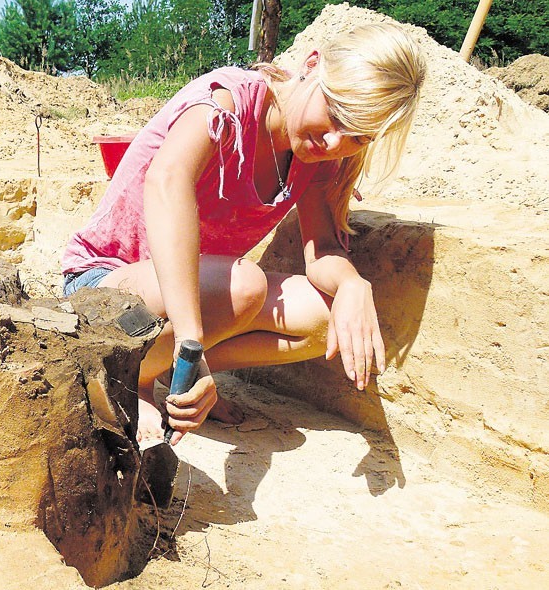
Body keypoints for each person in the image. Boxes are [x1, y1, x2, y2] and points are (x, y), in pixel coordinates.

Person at [61, 23, 426, 445]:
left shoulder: (322, 157)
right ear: (312, 64)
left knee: (325, 319)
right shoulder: (225, 103)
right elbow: (167, 181)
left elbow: (323, 250)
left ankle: (160, 368)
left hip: (193, 295)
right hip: (104, 287)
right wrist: (192, 346)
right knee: (244, 284)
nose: (334, 141)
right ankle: (134, 378)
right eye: (337, 114)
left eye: (359, 136)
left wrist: (353, 285)